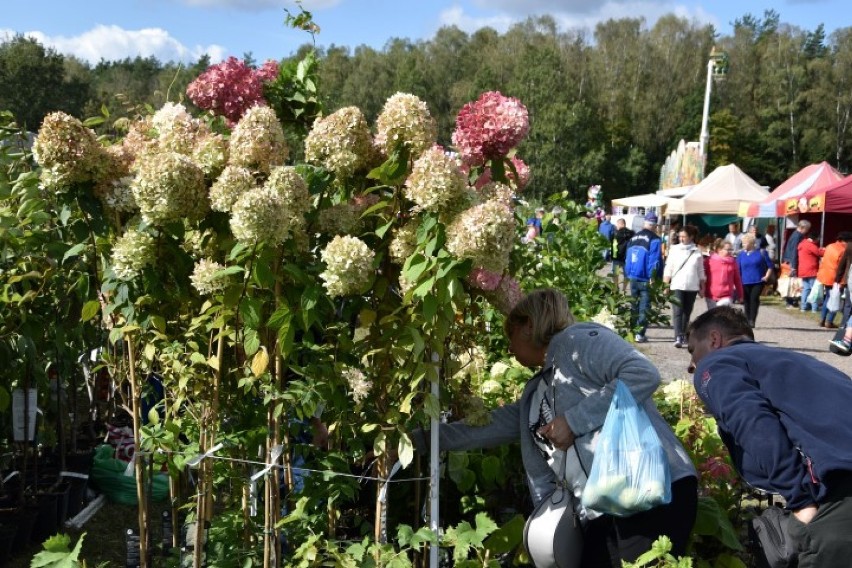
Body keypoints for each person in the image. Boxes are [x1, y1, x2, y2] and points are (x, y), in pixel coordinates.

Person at [412, 289, 698, 566]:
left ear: (529, 326)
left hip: (653, 489)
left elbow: (643, 373)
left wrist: (573, 421)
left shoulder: (579, 341)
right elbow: (489, 428)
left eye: (510, 334)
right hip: (609, 506)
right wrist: (415, 442)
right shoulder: (538, 391)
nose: (509, 348)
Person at [686, 305, 852, 567]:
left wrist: (801, 500)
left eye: (692, 351)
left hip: (840, 493)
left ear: (714, 339)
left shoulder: (716, 363)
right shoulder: (799, 362)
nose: (691, 366)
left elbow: (752, 421)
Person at [663, 224, 705, 348]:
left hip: (692, 285)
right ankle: (677, 336)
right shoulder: (674, 249)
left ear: (691, 237)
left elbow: (701, 270)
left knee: (687, 311)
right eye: (680, 236)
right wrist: (666, 285)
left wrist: (702, 286)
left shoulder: (697, 251)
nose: (681, 239)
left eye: (684, 236)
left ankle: (683, 333)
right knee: (677, 311)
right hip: (677, 284)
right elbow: (668, 268)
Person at [625, 213, 663, 343]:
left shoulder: (634, 237)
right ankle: (639, 333)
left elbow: (627, 257)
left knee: (633, 305)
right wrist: (654, 276)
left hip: (633, 276)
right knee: (644, 307)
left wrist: (628, 273)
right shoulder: (655, 239)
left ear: (644, 223)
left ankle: (631, 331)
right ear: (655, 225)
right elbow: (654, 261)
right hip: (646, 278)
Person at [736, 233, 773, 328]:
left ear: (752, 243)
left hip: (758, 281)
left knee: (754, 299)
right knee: (746, 300)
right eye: (743, 243)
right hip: (744, 281)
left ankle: (752, 320)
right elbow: (737, 269)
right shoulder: (741, 255)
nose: (743, 245)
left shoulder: (761, 252)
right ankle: (747, 319)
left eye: (745, 243)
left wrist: (766, 277)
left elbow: (770, 266)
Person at [816, 232, 851, 328]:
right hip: (836, 277)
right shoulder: (844, 249)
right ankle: (829, 321)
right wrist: (843, 281)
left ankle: (822, 319)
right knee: (835, 298)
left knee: (828, 297)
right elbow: (842, 266)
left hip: (826, 275)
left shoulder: (830, 246)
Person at [704, 240, 743, 310]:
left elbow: (737, 279)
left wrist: (740, 294)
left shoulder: (733, 262)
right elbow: (702, 275)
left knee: (721, 315)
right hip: (710, 295)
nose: (730, 251)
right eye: (727, 250)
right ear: (719, 250)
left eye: (731, 249)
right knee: (713, 317)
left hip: (727, 295)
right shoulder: (709, 260)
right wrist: (701, 289)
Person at [782, 220, 811, 308]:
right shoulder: (797, 236)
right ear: (802, 228)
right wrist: (793, 266)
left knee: (794, 283)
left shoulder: (798, 235)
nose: (807, 231)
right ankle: (789, 302)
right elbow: (794, 251)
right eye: (807, 229)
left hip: (790, 260)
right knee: (792, 283)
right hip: (791, 261)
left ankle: (792, 301)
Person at [797, 232, 824, 313]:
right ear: (814, 238)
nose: (818, 240)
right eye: (818, 238)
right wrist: (824, 249)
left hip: (802, 270)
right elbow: (819, 253)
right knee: (814, 289)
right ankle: (814, 308)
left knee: (806, 289)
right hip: (811, 270)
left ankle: (803, 307)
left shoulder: (802, 243)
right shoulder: (811, 245)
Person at [611, 218, 634, 293]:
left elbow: (613, 244)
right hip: (626, 257)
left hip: (617, 257)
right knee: (626, 275)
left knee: (615, 273)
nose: (617, 226)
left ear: (621, 224)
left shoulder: (616, 233)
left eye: (617, 224)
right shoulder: (631, 233)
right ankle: (624, 289)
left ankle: (616, 287)